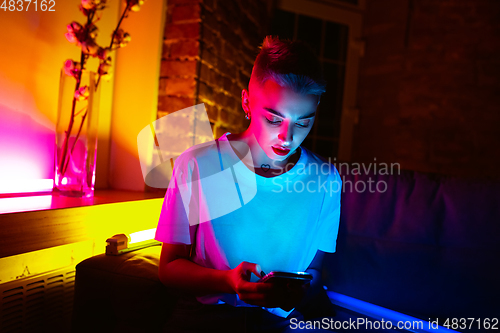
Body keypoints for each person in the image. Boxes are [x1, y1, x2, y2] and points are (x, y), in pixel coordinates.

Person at [155, 36, 342, 332]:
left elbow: (315, 270)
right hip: (203, 320)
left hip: (278, 321)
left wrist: (298, 290)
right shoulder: (196, 165)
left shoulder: (326, 180)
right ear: (246, 102)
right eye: (273, 118)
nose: (287, 136)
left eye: (303, 122)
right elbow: (168, 268)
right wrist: (227, 281)